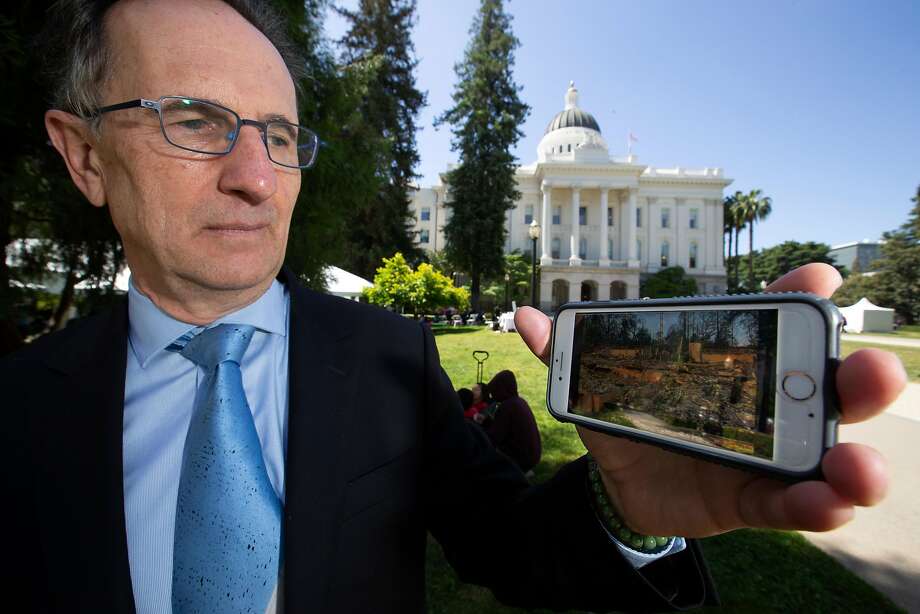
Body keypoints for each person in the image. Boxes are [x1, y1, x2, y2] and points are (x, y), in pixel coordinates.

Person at [0, 1, 905, 612]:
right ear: (83, 156)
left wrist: (629, 512)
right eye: (195, 121)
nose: (255, 177)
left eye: (278, 135)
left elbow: (505, 544)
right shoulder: (20, 404)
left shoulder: (388, 357)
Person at [480, 370, 542, 473]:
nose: (493, 395)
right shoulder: (519, 402)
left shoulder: (507, 407)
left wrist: (478, 429)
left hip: (521, 459)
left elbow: (494, 437)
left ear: (500, 390)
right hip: (532, 456)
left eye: (494, 391)